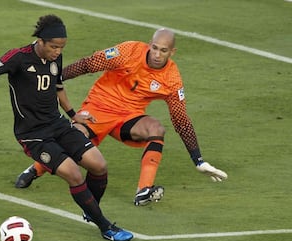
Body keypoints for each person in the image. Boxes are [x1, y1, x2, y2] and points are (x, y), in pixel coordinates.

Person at [15, 28, 228, 206]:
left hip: (128, 117)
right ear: (149, 44)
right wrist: (56, 78)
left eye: (163, 50)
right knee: (74, 139)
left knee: (156, 129)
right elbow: (90, 64)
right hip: (98, 108)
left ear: (172, 52)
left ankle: (143, 190)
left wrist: (198, 160)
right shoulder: (129, 51)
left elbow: (180, 119)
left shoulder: (172, 79)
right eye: (154, 48)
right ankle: (36, 169)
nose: (156, 54)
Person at [0, 14, 133, 241]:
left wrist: (74, 116)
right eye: (54, 47)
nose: (57, 51)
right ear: (41, 41)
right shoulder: (18, 57)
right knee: (74, 175)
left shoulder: (55, 59)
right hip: (33, 135)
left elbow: (58, 88)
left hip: (58, 124)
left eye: (61, 47)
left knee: (99, 165)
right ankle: (106, 227)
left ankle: (90, 208)